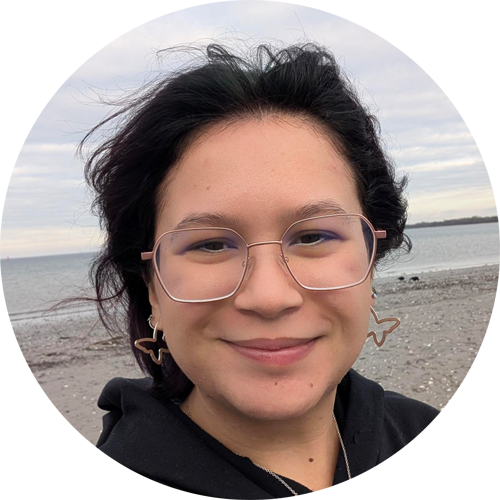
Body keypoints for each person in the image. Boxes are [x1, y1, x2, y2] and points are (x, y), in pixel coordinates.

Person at [84, 41, 476, 500]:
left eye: (313, 237)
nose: (269, 297)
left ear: (370, 262)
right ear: (151, 286)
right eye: (211, 244)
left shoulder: (451, 453)